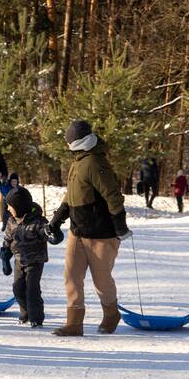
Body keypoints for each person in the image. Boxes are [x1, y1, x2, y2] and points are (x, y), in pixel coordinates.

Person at [48, 119, 129, 337]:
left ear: (77, 142)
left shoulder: (95, 162)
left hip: (101, 232)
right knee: (71, 275)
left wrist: (120, 223)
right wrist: (56, 220)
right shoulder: (78, 162)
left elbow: (113, 195)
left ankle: (111, 314)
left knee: (101, 280)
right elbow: (71, 197)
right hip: (78, 231)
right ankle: (74, 322)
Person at [0, 186, 58, 328]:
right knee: (18, 289)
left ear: (19, 207)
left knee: (32, 290)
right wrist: (5, 256)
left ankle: (36, 317)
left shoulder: (37, 222)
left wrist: (53, 234)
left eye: (10, 206)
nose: (8, 209)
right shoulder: (12, 221)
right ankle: (25, 312)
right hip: (19, 260)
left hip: (35, 261)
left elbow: (48, 235)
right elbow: (7, 239)